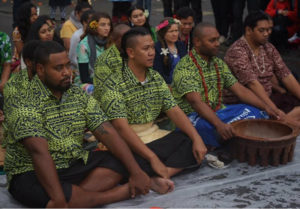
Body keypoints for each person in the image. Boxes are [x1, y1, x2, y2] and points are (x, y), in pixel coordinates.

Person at [3, 41, 170, 208]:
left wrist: (136, 172)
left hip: (73, 163)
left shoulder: (76, 93)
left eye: (68, 65)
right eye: (59, 68)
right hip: (32, 171)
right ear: (40, 70)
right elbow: (38, 152)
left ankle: (78, 199)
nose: (67, 73)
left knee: (124, 159)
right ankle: (121, 193)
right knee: (42, 191)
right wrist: (59, 198)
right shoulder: (22, 100)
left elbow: (106, 131)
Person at [96, 27, 207, 181]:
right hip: (129, 142)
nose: (152, 53)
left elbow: (174, 110)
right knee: (123, 163)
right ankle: (156, 170)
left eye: (152, 48)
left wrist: (197, 139)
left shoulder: (155, 77)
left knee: (190, 143)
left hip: (154, 135)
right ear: (131, 53)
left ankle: (163, 174)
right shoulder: (113, 84)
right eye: (145, 49)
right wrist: (152, 158)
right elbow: (121, 128)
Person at [171, 22, 278, 148]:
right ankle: (231, 138)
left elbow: (240, 90)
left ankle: (230, 138)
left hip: (219, 111)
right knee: (212, 129)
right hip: (193, 117)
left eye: (217, 39)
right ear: (197, 42)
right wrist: (219, 125)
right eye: (212, 40)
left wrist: (267, 107)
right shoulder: (185, 67)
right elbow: (196, 103)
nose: (217, 44)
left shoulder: (218, 63)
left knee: (257, 112)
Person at [224, 11, 300, 124]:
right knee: (289, 117)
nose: (266, 34)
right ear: (249, 30)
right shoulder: (238, 51)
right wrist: (275, 111)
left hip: (268, 97)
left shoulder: (268, 48)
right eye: (262, 30)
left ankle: (283, 123)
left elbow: (286, 75)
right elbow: (253, 84)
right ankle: (282, 124)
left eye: (269, 29)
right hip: (246, 103)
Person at [77, 12, 112, 87]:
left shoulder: (110, 42)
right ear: (94, 26)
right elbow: (84, 78)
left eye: (109, 24)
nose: (107, 28)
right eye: (103, 25)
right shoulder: (84, 45)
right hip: (87, 83)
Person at [94, 23, 130, 95]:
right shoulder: (104, 59)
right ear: (115, 40)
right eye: (124, 39)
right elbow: (104, 88)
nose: (129, 41)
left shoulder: (131, 53)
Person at [154, 17, 187, 85]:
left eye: (176, 30)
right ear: (163, 33)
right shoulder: (157, 48)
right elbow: (158, 72)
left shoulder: (180, 45)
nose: (175, 34)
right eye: (171, 31)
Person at [12, 2, 38, 71]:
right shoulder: (17, 32)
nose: (35, 17)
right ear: (25, 17)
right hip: (22, 60)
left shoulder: (38, 26)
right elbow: (23, 53)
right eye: (31, 15)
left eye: (36, 14)